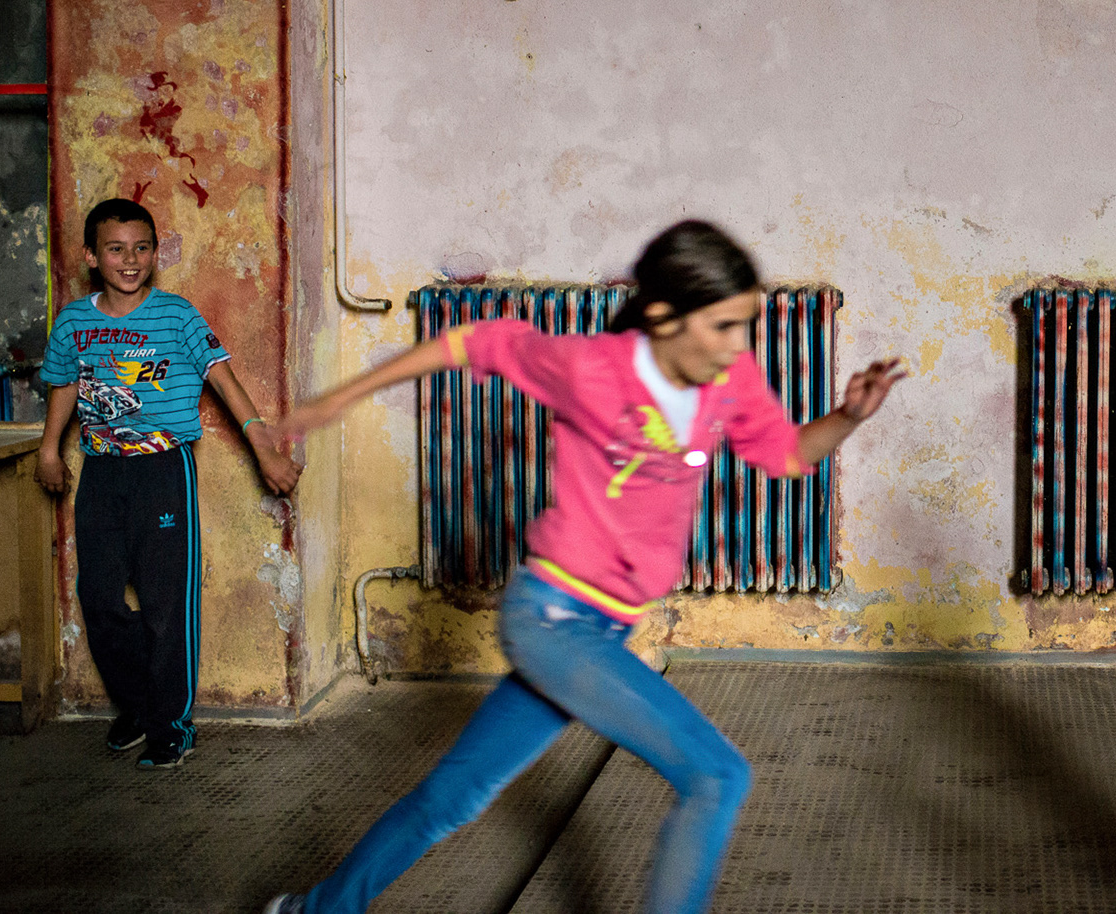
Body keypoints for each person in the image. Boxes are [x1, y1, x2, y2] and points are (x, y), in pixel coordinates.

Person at [262, 220, 905, 914]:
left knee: (454, 797)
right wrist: (334, 400)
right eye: (721, 326)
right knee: (715, 776)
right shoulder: (593, 368)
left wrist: (847, 416)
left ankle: (314, 910)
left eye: (743, 326)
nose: (736, 346)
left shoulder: (727, 379)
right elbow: (471, 341)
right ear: (663, 316)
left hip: (601, 630)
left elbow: (782, 455)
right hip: (551, 618)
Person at [35, 197, 301, 769]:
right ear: (91, 256)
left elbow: (223, 381)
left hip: (163, 470)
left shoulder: (178, 316)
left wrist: (264, 450)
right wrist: (49, 447)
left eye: (141, 248)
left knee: (164, 605)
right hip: (102, 470)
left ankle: (170, 725)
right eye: (115, 249)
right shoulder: (74, 322)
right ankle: (136, 705)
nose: (129, 260)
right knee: (98, 597)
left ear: (154, 254)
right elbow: (63, 385)